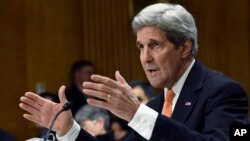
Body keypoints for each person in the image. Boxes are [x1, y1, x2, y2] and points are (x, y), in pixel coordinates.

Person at [19, 3, 249, 141]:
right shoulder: (156, 107)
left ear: (184, 47)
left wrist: (137, 114)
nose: (145, 58)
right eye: (141, 47)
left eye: (155, 45)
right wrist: (68, 130)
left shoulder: (224, 92)